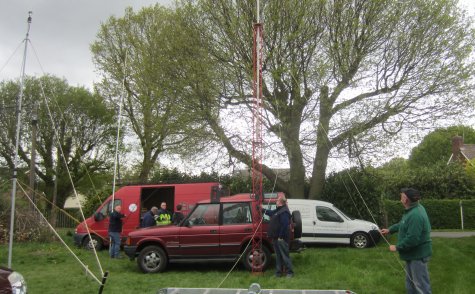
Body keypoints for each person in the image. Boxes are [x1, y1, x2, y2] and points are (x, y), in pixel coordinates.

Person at [381, 188, 432, 294]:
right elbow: (403, 224)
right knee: (411, 284)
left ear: (405, 199)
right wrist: (390, 230)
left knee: (420, 286)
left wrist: (397, 247)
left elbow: (412, 239)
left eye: (402, 195)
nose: (400, 196)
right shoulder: (413, 210)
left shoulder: (415, 215)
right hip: (412, 254)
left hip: (418, 256)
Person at [264, 195, 294, 278]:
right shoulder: (279, 210)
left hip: (281, 238)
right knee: (278, 256)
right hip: (276, 238)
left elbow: (285, 225)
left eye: (277, 200)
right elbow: (271, 213)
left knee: (284, 255)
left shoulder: (284, 211)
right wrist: (262, 209)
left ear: (280, 202)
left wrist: (280, 236)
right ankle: (278, 273)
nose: (276, 201)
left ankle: (290, 272)